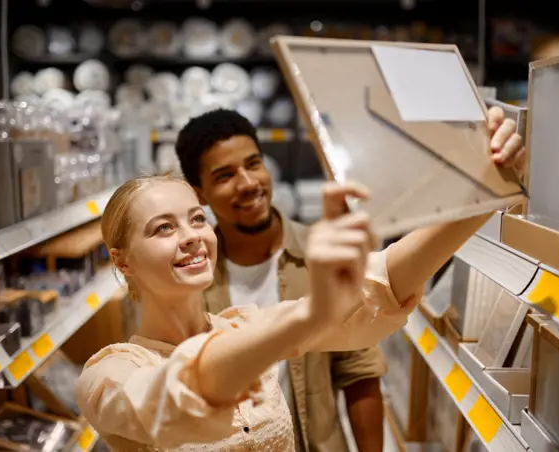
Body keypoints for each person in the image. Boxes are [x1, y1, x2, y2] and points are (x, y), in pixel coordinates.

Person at [172, 107, 526, 451]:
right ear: (198, 192)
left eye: (254, 164)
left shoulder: (325, 255)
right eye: (224, 175)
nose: (248, 183)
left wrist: (491, 181)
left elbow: (359, 373)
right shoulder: (188, 283)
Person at [76, 175, 420, 451]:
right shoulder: (109, 375)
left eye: (197, 219)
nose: (191, 237)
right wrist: (314, 312)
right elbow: (175, 398)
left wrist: (470, 202)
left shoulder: (246, 325)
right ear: (122, 261)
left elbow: (383, 282)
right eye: (163, 227)